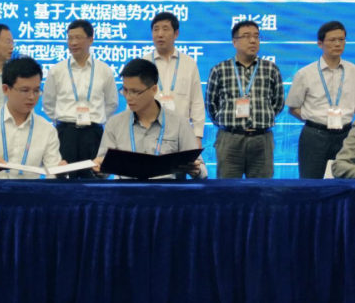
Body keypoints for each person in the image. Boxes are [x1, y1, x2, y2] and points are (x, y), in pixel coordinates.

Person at [93, 59, 207, 179]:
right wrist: (99, 169)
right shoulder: (114, 124)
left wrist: (197, 170)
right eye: (125, 90)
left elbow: (203, 171)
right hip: (125, 188)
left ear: (153, 90)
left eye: (135, 92)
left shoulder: (179, 124)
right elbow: (103, 169)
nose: (128, 97)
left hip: (166, 188)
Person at [205, 20, 284, 178]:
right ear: (234, 42)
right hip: (230, 138)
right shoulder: (220, 69)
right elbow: (211, 104)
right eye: (246, 36)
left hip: (262, 139)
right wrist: (228, 124)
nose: (253, 40)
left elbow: (278, 103)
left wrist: (261, 118)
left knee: (261, 189)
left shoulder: (271, 69)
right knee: (227, 189)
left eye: (256, 36)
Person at [43, 19, 118, 179]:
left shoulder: (104, 70)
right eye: (70, 38)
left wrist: (96, 118)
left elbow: (112, 103)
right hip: (65, 134)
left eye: (78, 37)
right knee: (62, 180)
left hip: (93, 134)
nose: (73, 43)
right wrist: (63, 121)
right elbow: (48, 103)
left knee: (95, 180)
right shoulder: (57, 70)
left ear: (90, 40)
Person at [286, 21, 354, 179]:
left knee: (346, 183)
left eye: (341, 39)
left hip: (347, 135)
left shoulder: (353, 71)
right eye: (332, 40)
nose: (338, 44)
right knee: (310, 183)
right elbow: (293, 107)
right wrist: (314, 120)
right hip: (314, 135)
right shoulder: (305, 73)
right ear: (320, 44)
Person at [143, 12, 205, 147]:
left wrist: (197, 135)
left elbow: (196, 102)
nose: (160, 34)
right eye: (156, 29)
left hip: (181, 134)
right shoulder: (143, 63)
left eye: (165, 29)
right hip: (149, 133)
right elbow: (134, 101)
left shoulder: (189, 64)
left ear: (176, 34)